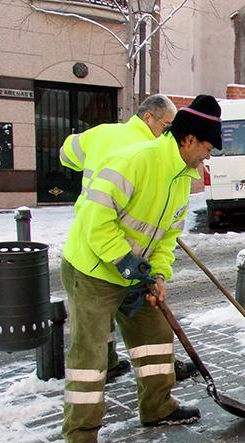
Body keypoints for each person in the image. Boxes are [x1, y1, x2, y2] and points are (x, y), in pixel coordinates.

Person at [60, 94, 222, 443]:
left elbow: (167, 236)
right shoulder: (135, 161)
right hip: (93, 269)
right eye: (208, 147)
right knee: (91, 353)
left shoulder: (183, 178)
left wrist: (158, 273)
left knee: (154, 339)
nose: (208, 157)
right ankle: (80, 434)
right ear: (188, 140)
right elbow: (94, 219)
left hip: (135, 271)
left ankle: (158, 407)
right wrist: (125, 261)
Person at [59, 94, 197, 383]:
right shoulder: (146, 151)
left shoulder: (102, 133)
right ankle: (120, 369)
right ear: (149, 118)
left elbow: (66, 153)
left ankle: (111, 364)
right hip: (102, 241)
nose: (170, 133)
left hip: (101, 237)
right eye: (167, 125)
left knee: (105, 322)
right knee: (98, 324)